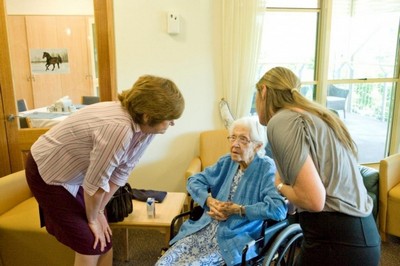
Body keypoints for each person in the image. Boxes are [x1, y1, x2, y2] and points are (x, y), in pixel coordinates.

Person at [25, 75, 185, 266]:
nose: (172, 123)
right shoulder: (119, 128)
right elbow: (96, 184)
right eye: (169, 119)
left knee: (105, 239)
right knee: (91, 242)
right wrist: (92, 218)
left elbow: (121, 173)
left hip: (79, 175)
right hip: (49, 171)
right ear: (147, 116)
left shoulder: (146, 129)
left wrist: (100, 210)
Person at [255, 66, 381, 266]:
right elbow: (305, 195)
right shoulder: (315, 116)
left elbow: (314, 200)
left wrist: (279, 185)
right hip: (360, 236)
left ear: (263, 91)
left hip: (336, 241)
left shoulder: (281, 121)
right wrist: (291, 198)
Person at [156, 116, 287, 266]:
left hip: (234, 238)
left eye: (243, 139)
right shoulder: (227, 161)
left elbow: (278, 209)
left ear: (258, 146)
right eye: (233, 138)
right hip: (205, 230)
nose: (235, 144)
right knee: (164, 262)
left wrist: (240, 210)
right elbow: (194, 181)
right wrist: (210, 201)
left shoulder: (266, 169)